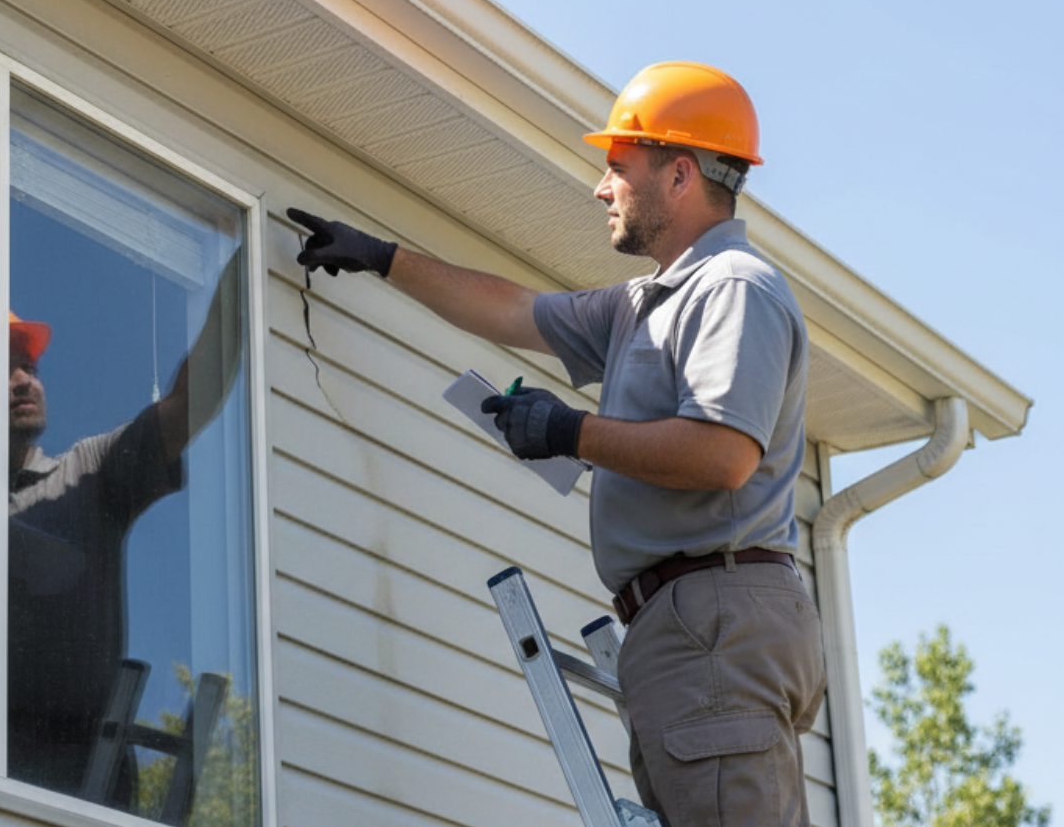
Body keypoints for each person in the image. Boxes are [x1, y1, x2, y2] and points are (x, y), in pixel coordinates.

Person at [288, 62, 826, 827]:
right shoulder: (644, 305)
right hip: (688, 625)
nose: (601, 189)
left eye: (617, 167)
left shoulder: (732, 288)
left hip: (713, 617)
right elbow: (513, 311)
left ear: (679, 174)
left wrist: (568, 430)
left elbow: (721, 454)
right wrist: (382, 257)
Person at [0, 262, 241, 809]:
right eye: (3, 367)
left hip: (88, 782)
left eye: (29, 367)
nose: (24, 380)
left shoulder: (87, 473)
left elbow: (189, 400)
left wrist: (239, 287)